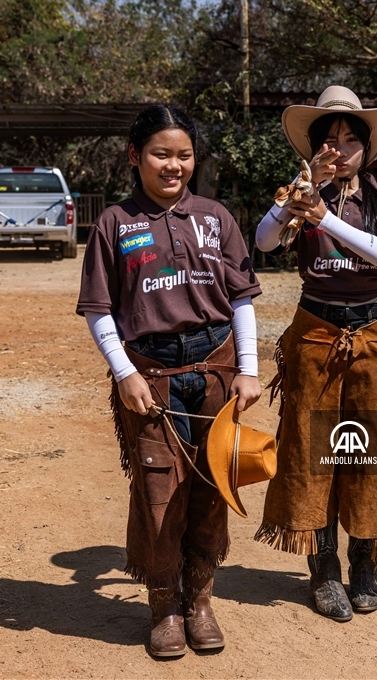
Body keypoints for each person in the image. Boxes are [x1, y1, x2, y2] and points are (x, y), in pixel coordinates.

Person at [77, 104, 262, 657]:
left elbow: (241, 299)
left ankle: (199, 601)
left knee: (211, 487)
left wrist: (248, 368)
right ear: (135, 157)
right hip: (151, 377)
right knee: (159, 492)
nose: (174, 165)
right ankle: (163, 605)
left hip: (214, 370)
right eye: (161, 154)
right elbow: (99, 309)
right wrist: (124, 372)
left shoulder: (215, 217)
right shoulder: (115, 223)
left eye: (184, 155)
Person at [253, 86, 377, 622]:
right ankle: (323, 571)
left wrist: (325, 218)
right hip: (316, 331)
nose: (340, 149)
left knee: (370, 449)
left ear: (367, 150)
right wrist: (302, 196)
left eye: (351, 139)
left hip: (373, 333)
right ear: (315, 149)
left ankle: (365, 561)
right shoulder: (299, 193)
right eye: (330, 139)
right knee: (312, 448)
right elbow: (266, 242)